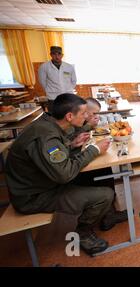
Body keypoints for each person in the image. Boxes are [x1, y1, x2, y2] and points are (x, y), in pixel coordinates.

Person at [5, 94, 124, 255]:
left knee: (100, 171)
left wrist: (72, 145)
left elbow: (53, 157)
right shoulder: (46, 136)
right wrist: (94, 150)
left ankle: (108, 215)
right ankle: (83, 234)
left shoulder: (48, 124)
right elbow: (64, 174)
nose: (87, 117)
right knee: (105, 194)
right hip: (34, 196)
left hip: (43, 182)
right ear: (69, 116)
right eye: (83, 114)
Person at [38, 46, 77, 113]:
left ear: (62, 55)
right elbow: (42, 82)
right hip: (53, 98)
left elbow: (74, 81)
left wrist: (67, 89)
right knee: (54, 117)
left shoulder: (69, 67)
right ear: (50, 54)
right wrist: (50, 90)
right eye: (54, 54)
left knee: (69, 115)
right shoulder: (44, 67)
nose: (57, 56)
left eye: (59, 54)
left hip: (68, 96)